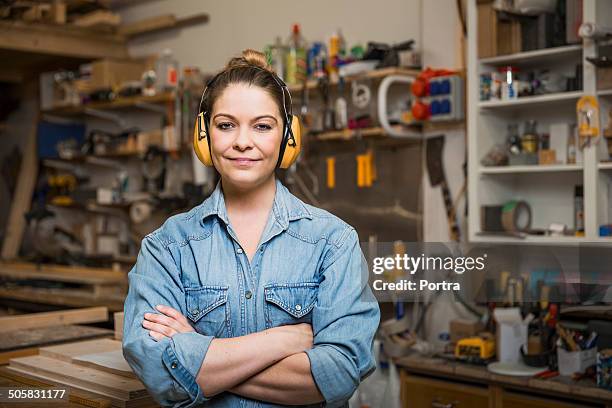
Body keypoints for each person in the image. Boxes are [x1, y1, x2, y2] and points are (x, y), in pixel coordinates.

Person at [122, 49, 380, 408]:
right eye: (226, 125)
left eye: (262, 126)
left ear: (288, 137)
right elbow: (159, 373)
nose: (243, 141)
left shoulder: (333, 243)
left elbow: (339, 373)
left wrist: (198, 355)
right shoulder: (166, 247)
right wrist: (282, 342)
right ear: (203, 135)